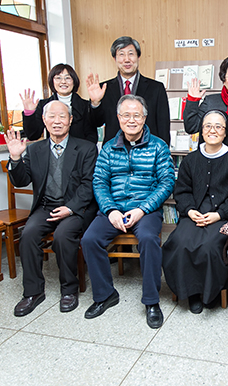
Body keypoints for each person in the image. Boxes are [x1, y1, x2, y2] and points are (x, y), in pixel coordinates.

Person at [81, 95, 175, 329]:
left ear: (144, 117)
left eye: (136, 115)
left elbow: (166, 183)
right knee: (89, 239)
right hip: (113, 208)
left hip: (145, 209)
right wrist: (110, 209)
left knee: (148, 239)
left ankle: (152, 301)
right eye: (126, 115)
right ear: (118, 118)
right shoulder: (109, 147)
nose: (131, 120)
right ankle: (105, 295)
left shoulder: (159, 146)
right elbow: (99, 181)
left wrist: (142, 209)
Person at [5, 101, 98, 317]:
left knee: (63, 236)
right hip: (46, 207)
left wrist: (70, 208)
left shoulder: (86, 148)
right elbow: (21, 181)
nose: (57, 121)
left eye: (62, 116)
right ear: (44, 121)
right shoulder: (34, 149)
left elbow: (88, 185)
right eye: (52, 117)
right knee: (27, 235)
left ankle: (69, 290)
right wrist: (15, 158)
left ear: (70, 120)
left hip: (75, 208)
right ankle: (33, 292)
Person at [162, 110, 228, 314]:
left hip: (222, 216)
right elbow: (182, 190)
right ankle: (191, 293)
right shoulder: (191, 159)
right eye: (208, 126)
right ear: (201, 130)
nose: (213, 130)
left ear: (225, 131)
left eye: (218, 126)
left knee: (210, 246)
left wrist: (219, 215)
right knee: (180, 243)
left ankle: (212, 292)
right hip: (194, 213)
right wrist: (190, 210)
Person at [86, 36, 170, 144]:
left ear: (138, 57)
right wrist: (95, 103)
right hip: (114, 150)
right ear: (115, 59)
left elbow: (163, 126)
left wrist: (162, 153)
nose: (127, 59)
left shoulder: (156, 88)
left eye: (131, 54)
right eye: (121, 54)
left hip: (148, 151)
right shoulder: (103, 88)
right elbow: (95, 123)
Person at [21, 63, 97, 143]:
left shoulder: (86, 105)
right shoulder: (44, 105)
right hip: (52, 153)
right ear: (52, 81)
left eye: (68, 78)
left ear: (74, 81)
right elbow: (33, 135)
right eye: (58, 78)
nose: (63, 81)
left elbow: (92, 137)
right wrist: (29, 113)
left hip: (80, 153)